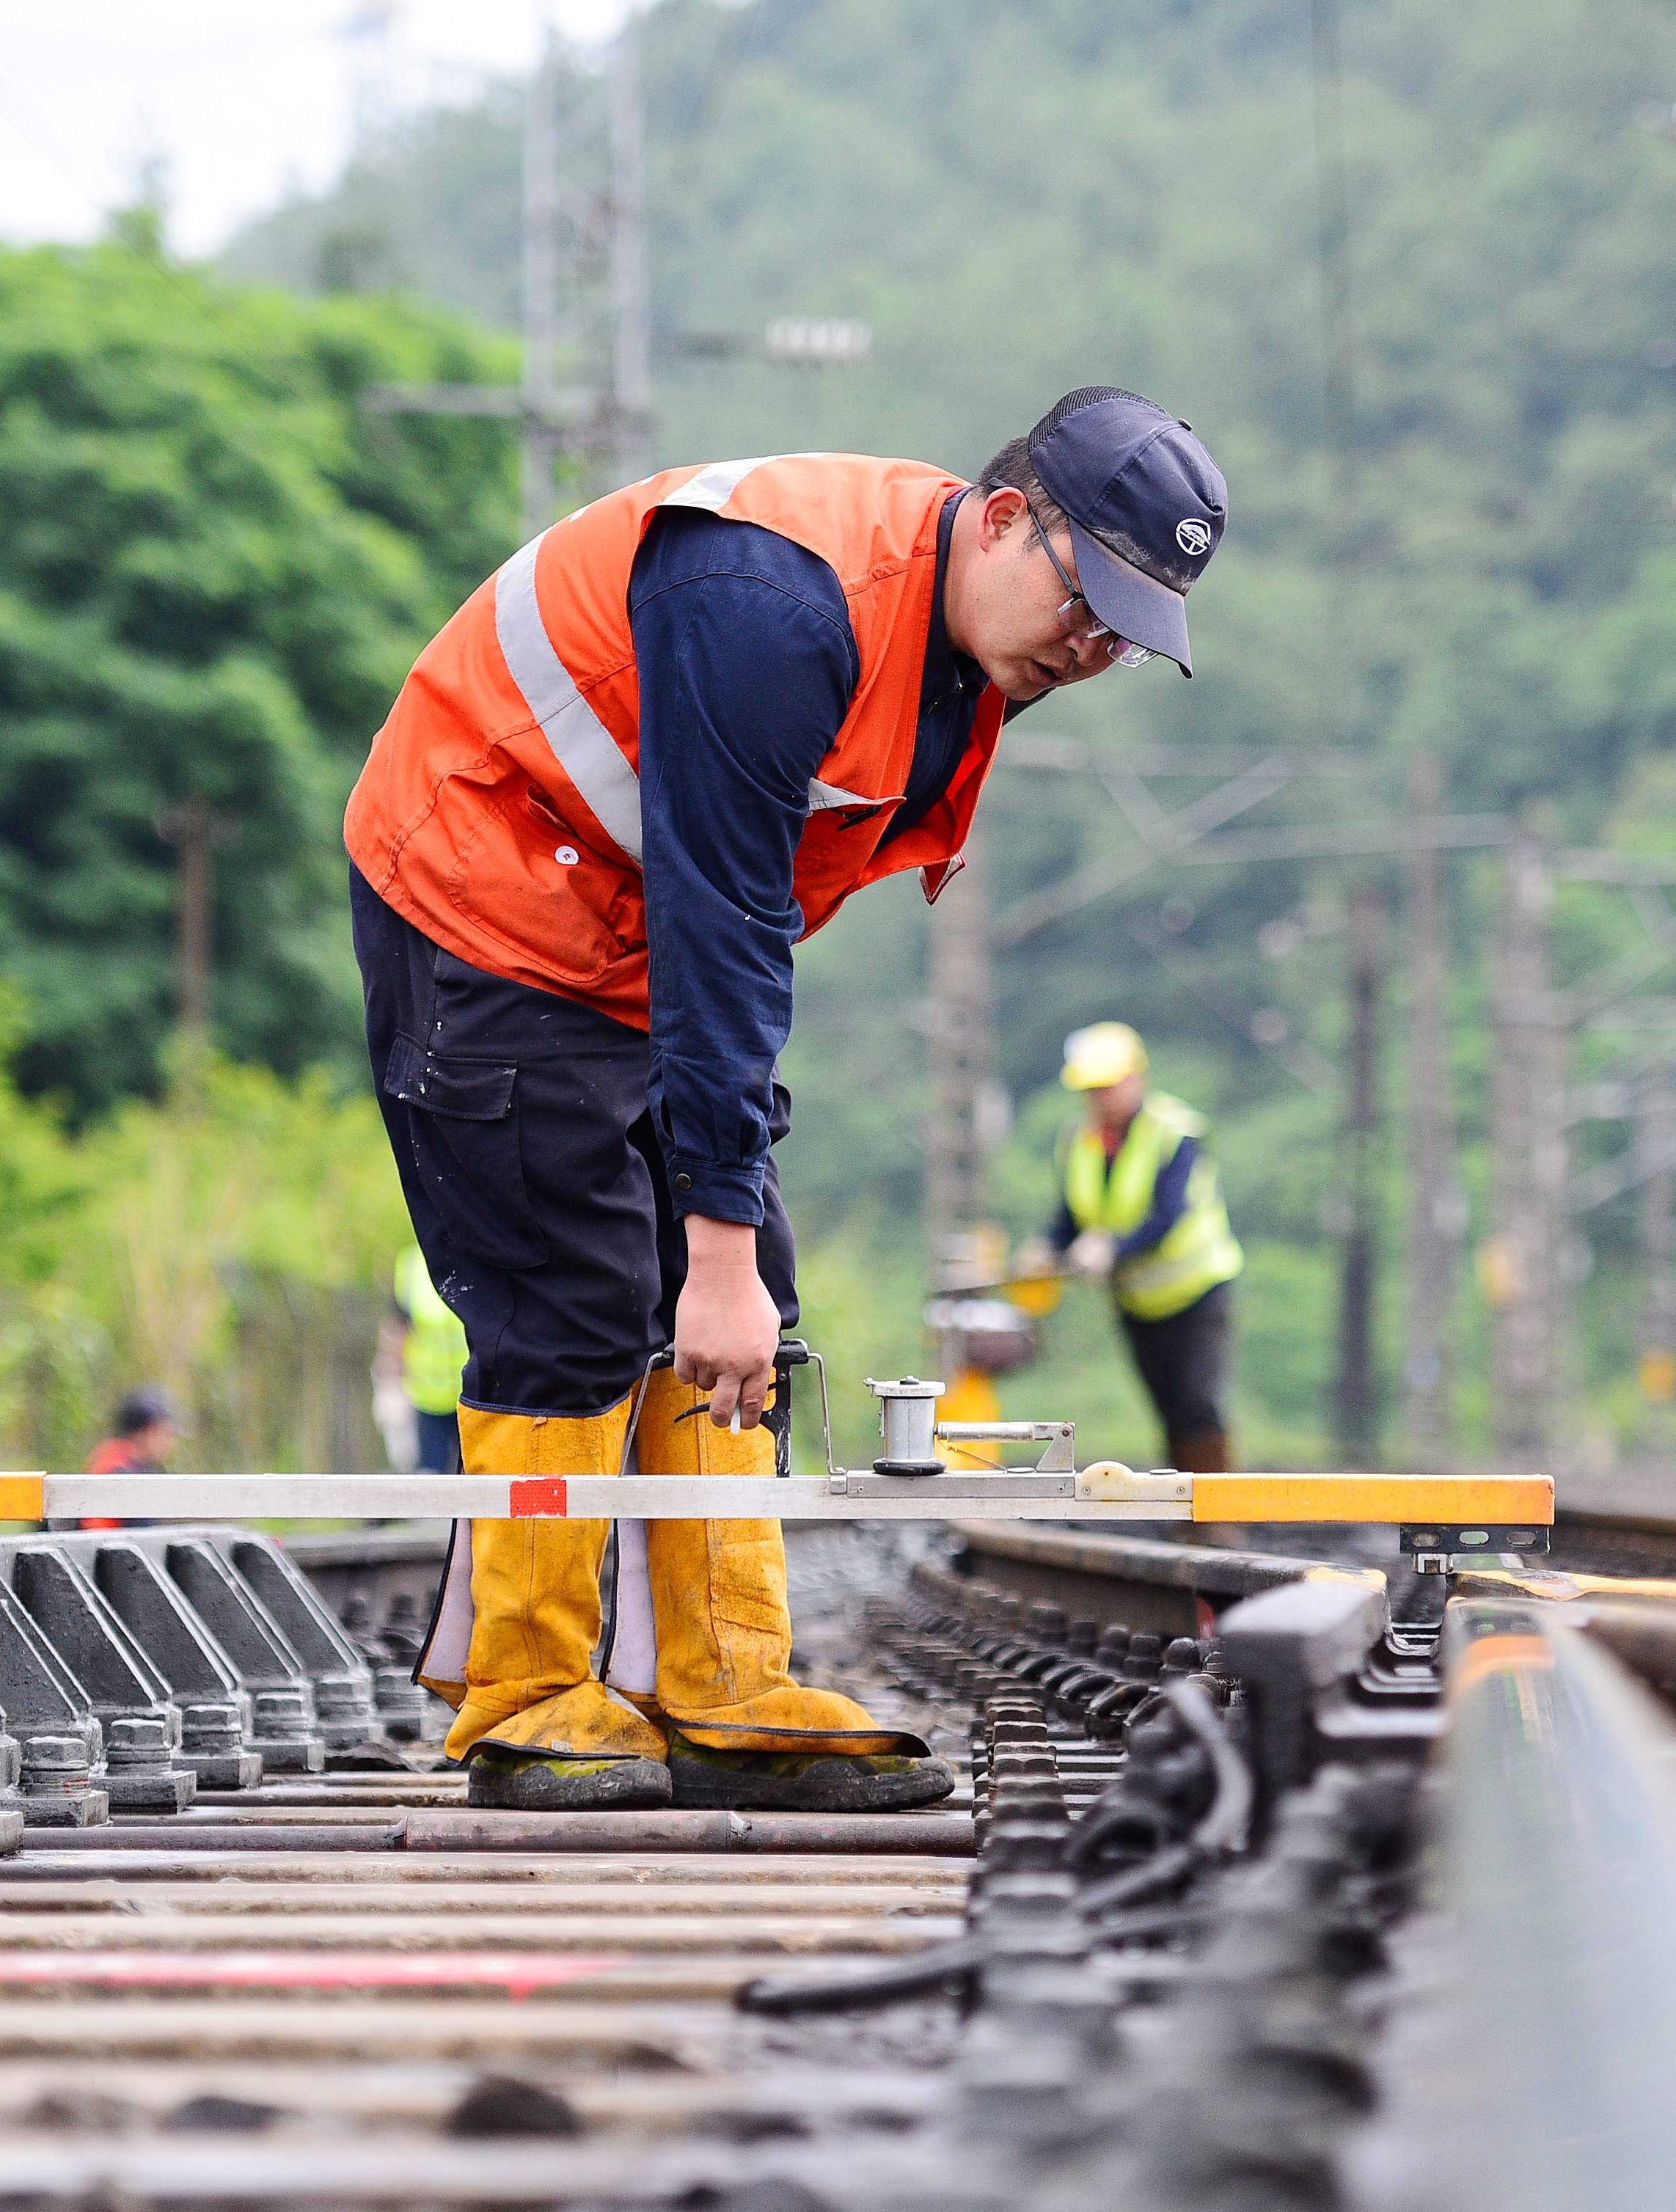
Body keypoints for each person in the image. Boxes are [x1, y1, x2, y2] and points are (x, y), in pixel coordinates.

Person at [345, 389, 1229, 1813]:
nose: (1095, 646)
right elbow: (723, 918)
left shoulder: (963, 651)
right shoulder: (769, 601)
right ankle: (521, 1693)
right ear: (1005, 518)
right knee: (572, 1290)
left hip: (627, 927)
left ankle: (722, 1677)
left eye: (1128, 630)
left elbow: (728, 938)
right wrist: (710, 1248)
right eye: (1089, 599)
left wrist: (724, 1245)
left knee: (751, 1289)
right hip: (486, 887)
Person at [1030, 1022, 1244, 1473]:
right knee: (1167, 1408)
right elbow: (1072, 1215)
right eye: (1092, 1089)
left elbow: (1169, 1215)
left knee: (1197, 1403)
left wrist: (1113, 1247)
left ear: (1135, 1078)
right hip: (1136, 1299)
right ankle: (1186, 1508)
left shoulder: (1176, 1132)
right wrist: (1046, 1248)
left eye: (1108, 1086)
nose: (1100, 1098)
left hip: (1197, 1292)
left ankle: (1218, 1515)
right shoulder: (1079, 1141)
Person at [381, 1242, 468, 1473]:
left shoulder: (476, 1254)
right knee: (431, 1475)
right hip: (427, 1396)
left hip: (472, 1395)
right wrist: (390, 1385)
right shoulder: (411, 1265)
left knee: (473, 1478)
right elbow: (398, 1326)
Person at [75, 1385, 178, 1533]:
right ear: (145, 1432)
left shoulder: (116, 1458)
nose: (170, 1442)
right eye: (165, 1433)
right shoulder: (116, 1468)